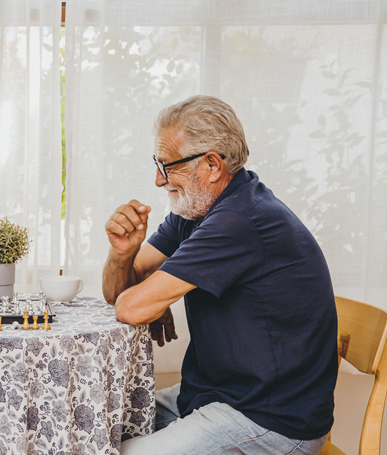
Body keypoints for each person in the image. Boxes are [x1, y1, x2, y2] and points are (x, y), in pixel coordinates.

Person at [102, 95, 337, 454]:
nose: (157, 180)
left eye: (166, 166)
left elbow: (129, 307)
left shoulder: (240, 220)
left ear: (212, 165)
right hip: (215, 395)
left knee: (121, 452)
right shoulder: (194, 211)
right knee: (94, 425)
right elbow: (121, 291)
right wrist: (123, 255)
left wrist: (152, 293)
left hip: (269, 418)